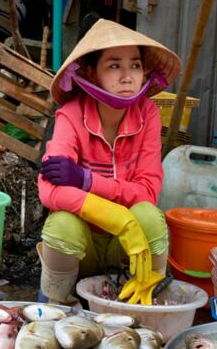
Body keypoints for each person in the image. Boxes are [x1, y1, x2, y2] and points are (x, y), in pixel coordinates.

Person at [37, 19, 181, 306]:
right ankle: (58, 304)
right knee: (62, 224)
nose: (127, 77)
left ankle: (147, 300)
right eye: (114, 65)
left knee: (150, 217)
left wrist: (87, 181)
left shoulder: (148, 114)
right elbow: (49, 191)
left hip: (128, 250)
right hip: (84, 247)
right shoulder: (71, 115)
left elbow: (147, 192)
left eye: (135, 65)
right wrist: (116, 217)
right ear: (92, 73)